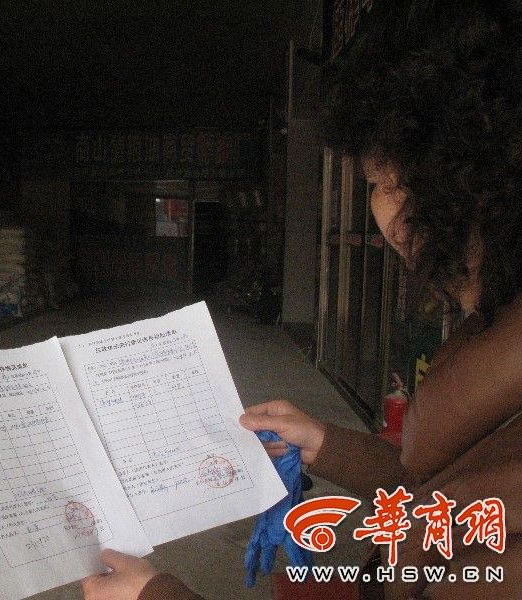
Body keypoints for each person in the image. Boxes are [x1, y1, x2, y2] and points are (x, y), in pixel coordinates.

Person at [81, 1, 522, 598]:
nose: (383, 215)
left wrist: (156, 595)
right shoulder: (495, 333)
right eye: (373, 185)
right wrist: (324, 443)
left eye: (379, 183)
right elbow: (448, 498)